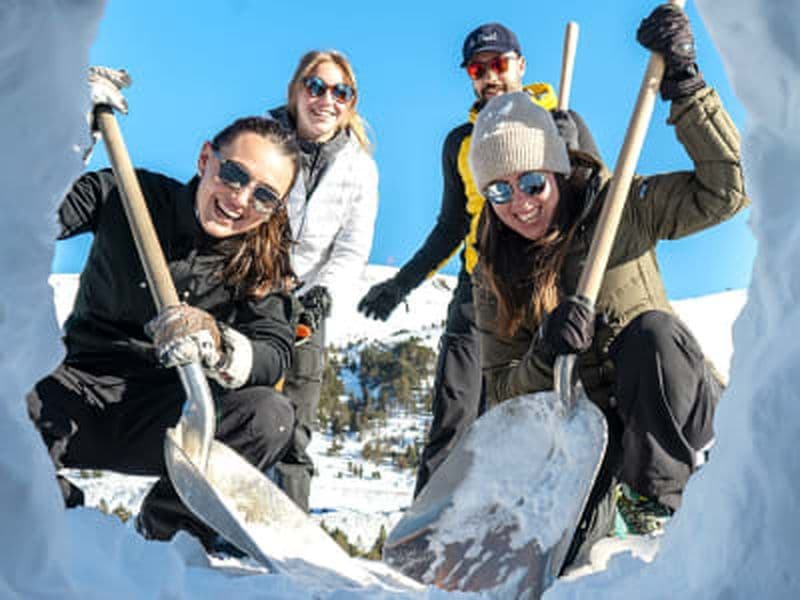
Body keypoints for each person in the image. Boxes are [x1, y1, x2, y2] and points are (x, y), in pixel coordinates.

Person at [469, 5, 747, 570]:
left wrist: (686, 87)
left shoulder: (619, 206)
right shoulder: (493, 270)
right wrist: (545, 356)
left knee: (652, 334)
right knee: (571, 566)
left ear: (554, 169)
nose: (519, 204)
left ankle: (657, 507)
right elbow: (502, 394)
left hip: (676, 412)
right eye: (499, 193)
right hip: (592, 443)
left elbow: (726, 189)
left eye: (530, 182)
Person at [26, 68, 301, 551]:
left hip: (170, 419)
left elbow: (274, 353)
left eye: (264, 195)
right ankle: (62, 523)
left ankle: (162, 534)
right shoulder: (125, 194)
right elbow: (26, 214)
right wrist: (63, 137)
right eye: (233, 174)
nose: (239, 199)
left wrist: (219, 343)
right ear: (205, 159)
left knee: (270, 414)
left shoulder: (262, 265)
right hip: (71, 391)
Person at [357, 23, 601, 497]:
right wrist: (400, 284)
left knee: (537, 412)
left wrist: (578, 156)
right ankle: (429, 531)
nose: (489, 75)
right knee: (456, 411)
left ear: (520, 66)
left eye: (499, 64)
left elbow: (602, 200)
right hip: (480, 287)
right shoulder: (461, 143)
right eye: (477, 68)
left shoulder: (560, 120)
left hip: (548, 284)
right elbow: (451, 226)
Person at [266, 50, 379, 512]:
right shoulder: (263, 139)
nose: (326, 99)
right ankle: (199, 525)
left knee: (295, 420)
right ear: (295, 92)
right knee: (233, 405)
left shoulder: (359, 168)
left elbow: (352, 247)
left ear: (350, 103)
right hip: (249, 289)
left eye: (340, 91)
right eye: (315, 86)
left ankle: (286, 529)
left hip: (308, 299)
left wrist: (320, 295)